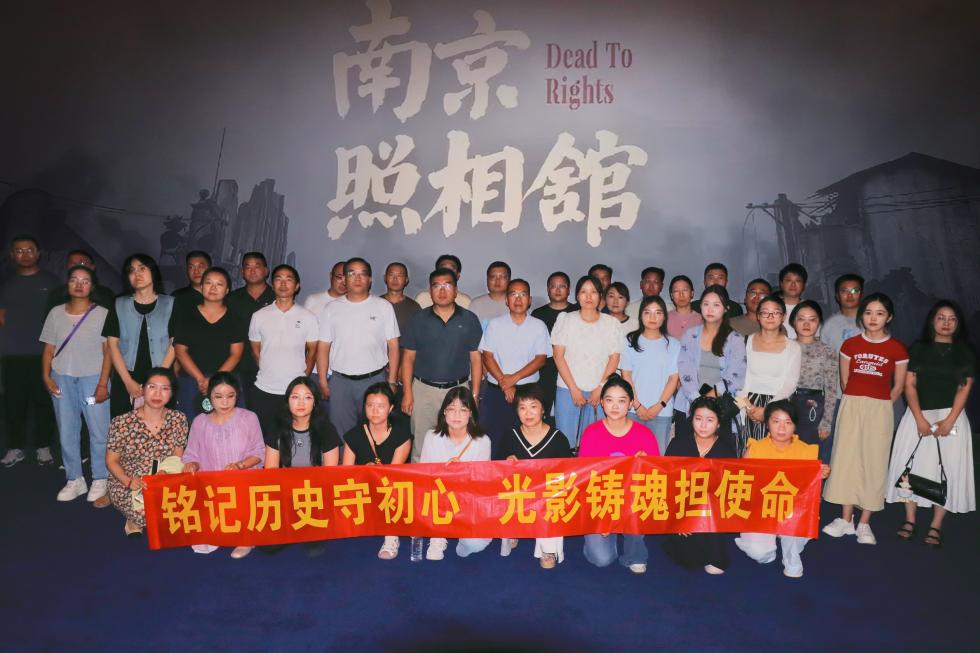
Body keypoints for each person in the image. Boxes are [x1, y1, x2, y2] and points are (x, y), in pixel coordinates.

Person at [886, 300, 975, 547]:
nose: (946, 323)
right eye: (941, 317)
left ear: (958, 324)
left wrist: (949, 420)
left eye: (952, 319)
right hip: (917, 416)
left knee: (948, 467)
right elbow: (909, 384)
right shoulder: (918, 349)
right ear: (932, 321)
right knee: (910, 467)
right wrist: (919, 419)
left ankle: (936, 524)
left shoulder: (965, 352)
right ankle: (910, 519)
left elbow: (964, 388)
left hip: (951, 418)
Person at [823, 293, 908, 545]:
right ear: (862, 316)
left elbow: (898, 386)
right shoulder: (850, 345)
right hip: (852, 404)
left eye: (880, 313)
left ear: (889, 317)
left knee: (874, 461)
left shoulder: (897, 349)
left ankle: (864, 523)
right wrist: (856, 401)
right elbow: (844, 380)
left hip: (880, 408)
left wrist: (881, 406)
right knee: (846, 459)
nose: (873, 318)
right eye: (869, 312)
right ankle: (845, 520)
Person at [734, 400, 830, 578]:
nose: (781, 428)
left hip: (791, 510)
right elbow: (741, 483)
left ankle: (791, 557)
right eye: (776, 421)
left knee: (796, 519)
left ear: (795, 426)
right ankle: (771, 546)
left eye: (788, 422)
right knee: (759, 552)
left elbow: (809, 492)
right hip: (762, 510)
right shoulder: (756, 448)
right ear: (767, 423)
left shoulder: (806, 451)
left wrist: (820, 473)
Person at [40, 265, 112, 503]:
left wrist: (103, 383)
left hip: (93, 378)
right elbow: (48, 348)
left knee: (99, 431)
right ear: (67, 284)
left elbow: (108, 352)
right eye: (74, 280)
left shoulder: (103, 313)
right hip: (62, 377)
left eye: (85, 281)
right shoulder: (55, 313)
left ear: (93, 286)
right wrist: (47, 376)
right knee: (67, 430)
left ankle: (100, 477)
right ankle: (75, 479)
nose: (79, 285)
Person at [578, 375, 660, 573]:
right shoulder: (591, 433)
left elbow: (657, 479)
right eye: (609, 400)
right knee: (602, 559)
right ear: (602, 402)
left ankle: (635, 552)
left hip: (631, 501)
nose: (615, 406)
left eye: (621, 401)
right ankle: (607, 537)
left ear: (630, 403)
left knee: (640, 499)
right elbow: (584, 480)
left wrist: (646, 465)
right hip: (601, 499)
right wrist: (603, 515)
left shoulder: (645, 435)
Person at [400, 268, 483, 463]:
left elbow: (476, 359)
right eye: (436, 286)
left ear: (456, 290)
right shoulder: (418, 319)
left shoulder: (469, 319)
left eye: (447, 285)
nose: (442, 291)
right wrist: (407, 393)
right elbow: (408, 358)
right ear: (430, 291)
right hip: (424, 390)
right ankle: (421, 482)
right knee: (421, 445)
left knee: (458, 442)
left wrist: (474, 395)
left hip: (458, 389)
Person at [181, 372, 264, 559]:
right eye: (218, 397)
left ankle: (246, 538)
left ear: (237, 395)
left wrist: (240, 465)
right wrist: (192, 464)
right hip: (213, 488)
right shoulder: (200, 422)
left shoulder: (249, 418)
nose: (225, 402)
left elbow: (260, 452)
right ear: (209, 396)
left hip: (243, 485)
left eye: (230, 396)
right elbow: (191, 453)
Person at [317, 257, 399, 437]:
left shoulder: (383, 306)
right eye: (352, 273)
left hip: (375, 380)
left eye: (363, 274)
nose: (357, 278)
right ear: (344, 279)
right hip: (341, 382)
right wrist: (322, 380)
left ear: (370, 280)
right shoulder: (331, 308)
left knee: (375, 431)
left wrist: (392, 381)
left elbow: (393, 346)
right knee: (340, 434)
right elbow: (323, 347)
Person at [494, 384, 572, 569]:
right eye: (522, 407)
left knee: (555, 496)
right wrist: (506, 463)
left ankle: (548, 549)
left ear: (543, 409)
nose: (528, 413)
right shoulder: (509, 437)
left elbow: (569, 475)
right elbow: (495, 471)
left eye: (533, 406)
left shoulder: (558, 439)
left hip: (547, 496)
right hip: (520, 494)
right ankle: (513, 530)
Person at [105, 368, 189, 537]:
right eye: (152, 387)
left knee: (187, 507)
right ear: (142, 389)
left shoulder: (178, 419)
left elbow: (177, 455)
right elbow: (111, 461)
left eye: (165, 388)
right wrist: (129, 481)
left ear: (171, 393)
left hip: (165, 475)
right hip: (130, 479)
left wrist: (165, 475)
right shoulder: (122, 422)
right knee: (146, 513)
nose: (158, 394)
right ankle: (133, 519)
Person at [0, 234, 60, 466]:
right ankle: (14, 447)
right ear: (12, 255)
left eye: (29, 250)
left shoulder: (52, 282)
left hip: (45, 354)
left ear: (38, 253)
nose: (25, 255)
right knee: (13, 403)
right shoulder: (7, 284)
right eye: (19, 250)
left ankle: (43, 446)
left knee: (44, 402)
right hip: (13, 354)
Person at [661, 396, 736, 575]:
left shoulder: (726, 452)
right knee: (688, 559)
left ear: (718, 423)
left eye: (710, 420)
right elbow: (667, 485)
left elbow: (729, 494)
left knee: (714, 561)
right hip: (681, 509)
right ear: (691, 419)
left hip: (711, 514)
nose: (703, 425)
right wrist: (679, 519)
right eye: (698, 418)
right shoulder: (678, 445)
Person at [419, 387, 493, 560]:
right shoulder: (432, 436)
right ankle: (438, 535)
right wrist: (446, 475)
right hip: (438, 499)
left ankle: (461, 536)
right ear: (444, 412)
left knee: (475, 544)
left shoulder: (482, 441)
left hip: (468, 502)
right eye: (451, 409)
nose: (457, 415)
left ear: (471, 414)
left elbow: (483, 484)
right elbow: (423, 477)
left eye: (463, 410)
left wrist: (463, 473)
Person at [341, 383, 412, 560]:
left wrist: (376, 473)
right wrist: (363, 473)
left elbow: (395, 474)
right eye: (370, 405)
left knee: (394, 490)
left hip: (391, 488)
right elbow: (346, 474)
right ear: (364, 407)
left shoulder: (402, 435)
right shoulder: (353, 435)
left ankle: (391, 536)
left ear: (391, 408)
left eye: (381, 406)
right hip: (363, 488)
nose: (375, 410)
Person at [551, 275, 622, 450]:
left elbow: (614, 358)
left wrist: (600, 388)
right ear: (577, 296)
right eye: (584, 292)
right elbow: (558, 356)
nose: (588, 296)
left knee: (593, 444)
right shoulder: (566, 320)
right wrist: (574, 389)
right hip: (568, 389)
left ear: (600, 296)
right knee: (565, 443)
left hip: (598, 391)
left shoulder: (611, 323)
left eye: (594, 292)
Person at [248, 264, 319, 435]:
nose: (283, 283)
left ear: (297, 286)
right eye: (278, 279)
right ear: (272, 285)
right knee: (263, 437)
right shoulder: (259, 316)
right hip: (264, 388)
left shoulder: (308, 317)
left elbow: (312, 353)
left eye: (289, 279)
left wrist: (302, 379)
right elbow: (255, 351)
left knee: (290, 438)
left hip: (294, 391)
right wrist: (269, 370)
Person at [103, 253, 176, 419]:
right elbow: (112, 345)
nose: (137, 274)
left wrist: (157, 380)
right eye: (132, 270)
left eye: (142, 268)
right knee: (123, 426)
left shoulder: (171, 303)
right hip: (126, 376)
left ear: (153, 271)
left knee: (160, 426)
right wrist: (128, 381)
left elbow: (174, 342)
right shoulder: (118, 304)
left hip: (161, 377)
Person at [478, 279, 551, 445]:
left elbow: (541, 359)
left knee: (526, 441)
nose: (518, 299)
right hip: (496, 391)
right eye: (513, 294)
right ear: (506, 299)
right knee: (494, 440)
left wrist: (513, 379)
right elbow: (487, 356)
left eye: (523, 294)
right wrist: (505, 384)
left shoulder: (539, 326)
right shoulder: (495, 325)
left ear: (529, 300)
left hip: (528, 393)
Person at [675, 285, 746, 444]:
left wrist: (707, 399)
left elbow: (736, 376)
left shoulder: (735, 339)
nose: (710, 309)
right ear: (700, 306)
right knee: (685, 453)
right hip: (689, 403)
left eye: (716, 305)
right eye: (706, 304)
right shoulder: (690, 334)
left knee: (718, 456)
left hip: (720, 407)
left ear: (726, 308)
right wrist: (696, 400)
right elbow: (685, 368)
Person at [173, 267, 245, 422]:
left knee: (227, 426)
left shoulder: (235, 318)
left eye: (219, 284)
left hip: (225, 382)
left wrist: (214, 380)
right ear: (201, 287)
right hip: (192, 381)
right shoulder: (187, 315)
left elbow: (236, 354)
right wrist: (200, 379)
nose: (213, 288)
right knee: (190, 425)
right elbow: (180, 351)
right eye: (208, 283)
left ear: (227, 290)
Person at [735, 295, 801, 456]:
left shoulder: (793, 347)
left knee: (773, 457)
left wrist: (768, 411)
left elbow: (790, 383)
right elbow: (738, 378)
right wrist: (749, 407)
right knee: (747, 455)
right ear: (758, 316)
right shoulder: (745, 342)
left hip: (778, 407)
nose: (770, 316)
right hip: (747, 405)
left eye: (776, 312)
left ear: (783, 317)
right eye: (765, 312)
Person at [621, 295, 680, 454]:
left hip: (662, 411)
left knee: (657, 457)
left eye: (658, 313)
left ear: (664, 317)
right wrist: (637, 405)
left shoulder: (673, 345)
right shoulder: (629, 341)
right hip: (633, 410)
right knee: (631, 456)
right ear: (641, 315)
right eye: (647, 312)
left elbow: (673, 379)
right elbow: (626, 375)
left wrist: (659, 406)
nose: (652, 317)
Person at [790, 301, 839, 459]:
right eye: (801, 319)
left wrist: (826, 422)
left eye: (812, 319)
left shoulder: (827, 351)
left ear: (819, 323)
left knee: (809, 455)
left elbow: (831, 389)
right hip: (786, 405)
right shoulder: (785, 347)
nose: (806, 324)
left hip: (813, 407)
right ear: (793, 322)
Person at [226, 252, 275, 409]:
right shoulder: (232, 299)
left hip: (269, 365)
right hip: (237, 365)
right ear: (242, 272)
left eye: (257, 266)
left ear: (266, 271)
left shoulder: (277, 298)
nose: (252, 271)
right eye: (248, 267)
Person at [264, 376, 341, 469]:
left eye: (307, 397)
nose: (301, 403)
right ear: (287, 401)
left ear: (315, 402)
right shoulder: (276, 427)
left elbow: (330, 472)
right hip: (284, 478)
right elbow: (271, 470)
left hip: (318, 479)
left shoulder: (327, 430)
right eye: (295, 397)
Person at [530, 271, 578, 421]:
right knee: (541, 412)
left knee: (569, 415)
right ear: (547, 289)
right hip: (545, 370)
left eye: (562, 286)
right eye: (553, 286)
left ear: (569, 290)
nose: (557, 290)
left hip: (571, 369)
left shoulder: (577, 312)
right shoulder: (538, 314)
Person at [44, 249, 116, 311]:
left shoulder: (106, 294)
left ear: (92, 267)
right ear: (67, 267)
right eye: (73, 265)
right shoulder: (57, 295)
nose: (78, 267)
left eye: (82, 264)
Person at [821, 274, 864, 356]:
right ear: (837, 296)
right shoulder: (830, 325)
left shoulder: (872, 322)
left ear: (861, 295)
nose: (850, 295)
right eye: (844, 291)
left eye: (854, 291)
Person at [381, 261, 421, 336]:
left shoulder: (414, 307)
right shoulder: (375, 304)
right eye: (391, 275)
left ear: (406, 280)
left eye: (400, 275)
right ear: (385, 278)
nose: (395, 279)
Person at [468, 261, 512, 329]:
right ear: (487, 280)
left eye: (502, 277)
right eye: (493, 277)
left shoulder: (517, 303)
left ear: (509, 280)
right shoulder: (476, 304)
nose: (497, 281)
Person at [170, 250, 211, 318]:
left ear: (210, 269)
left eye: (200, 267)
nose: (196, 271)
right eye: (191, 267)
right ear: (187, 270)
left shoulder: (220, 296)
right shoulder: (177, 297)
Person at [666, 274, 702, 339]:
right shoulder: (664, 318)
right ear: (671, 296)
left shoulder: (701, 320)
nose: (681, 295)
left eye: (685, 290)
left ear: (692, 293)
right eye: (676, 291)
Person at [777, 263, 807, 338]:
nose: (793, 284)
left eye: (798, 281)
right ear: (781, 284)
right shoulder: (771, 308)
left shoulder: (810, 308)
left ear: (804, 285)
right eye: (788, 280)